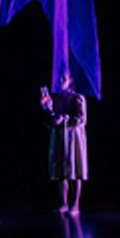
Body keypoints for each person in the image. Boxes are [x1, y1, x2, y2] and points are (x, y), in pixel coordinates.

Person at [40, 75, 87, 214]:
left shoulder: (78, 97)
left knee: (75, 169)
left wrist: (65, 119)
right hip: (59, 136)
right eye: (59, 78)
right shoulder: (55, 98)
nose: (60, 81)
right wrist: (47, 110)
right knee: (60, 170)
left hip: (73, 137)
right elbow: (50, 118)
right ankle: (64, 203)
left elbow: (81, 119)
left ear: (70, 80)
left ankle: (75, 205)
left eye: (63, 78)